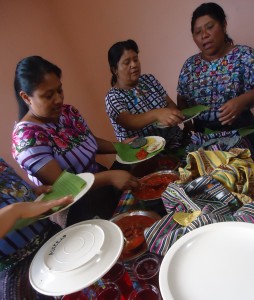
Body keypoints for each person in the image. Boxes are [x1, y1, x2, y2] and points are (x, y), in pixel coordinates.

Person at [12, 56, 139, 226]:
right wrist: (109, 177)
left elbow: (89, 140)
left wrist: (120, 147)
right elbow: (65, 183)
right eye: (48, 96)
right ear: (26, 97)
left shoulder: (67, 112)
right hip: (75, 206)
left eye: (60, 90)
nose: (58, 99)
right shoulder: (26, 137)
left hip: (99, 184)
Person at [0, 156, 73, 299]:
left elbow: (12, 189)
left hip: (52, 237)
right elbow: (15, 210)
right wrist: (16, 210)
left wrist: (33, 191)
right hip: (18, 270)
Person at [177, 2, 254, 133]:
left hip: (241, 131)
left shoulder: (245, 56)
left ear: (224, 25)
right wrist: (188, 125)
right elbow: (182, 99)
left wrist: (242, 100)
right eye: (198, 32)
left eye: (210, 27)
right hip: (203, 134)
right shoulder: (190, 66)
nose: (204, 35)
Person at [105, 39, 185, 149]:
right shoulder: (113, 97)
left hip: (175, 141)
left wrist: (173, 115)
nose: (133, 65)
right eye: (127, 62)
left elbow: (170, 104)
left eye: (136, 59)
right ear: (115, 69)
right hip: (146, 152)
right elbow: (129, 121)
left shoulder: (149, 79)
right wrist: (157, 114)